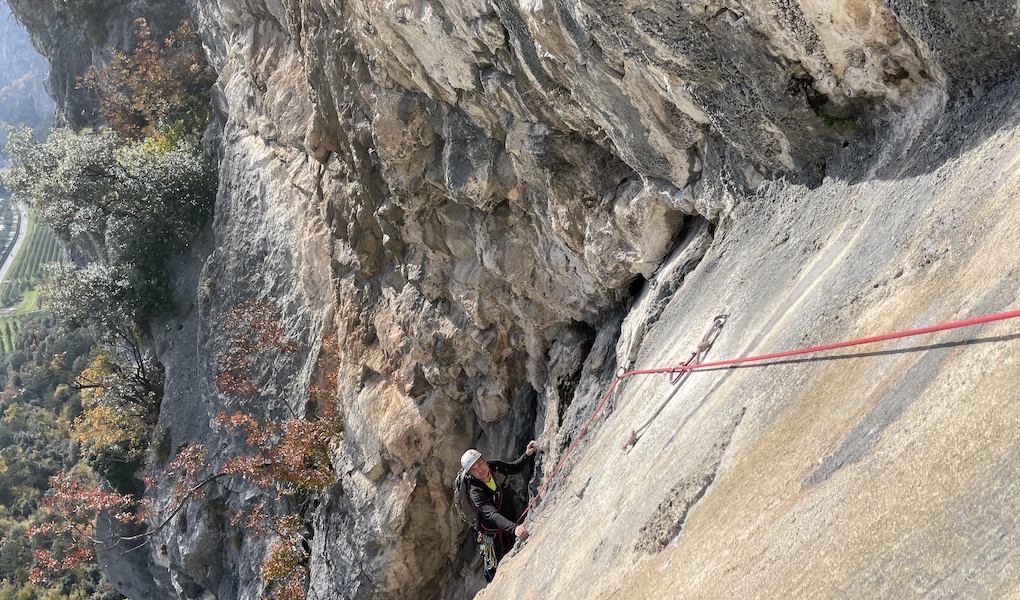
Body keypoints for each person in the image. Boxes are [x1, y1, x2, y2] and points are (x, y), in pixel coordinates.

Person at [460, 440, 537, 580]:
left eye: (480, 464)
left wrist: (526, 455)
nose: (480, 470)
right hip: (493, 533)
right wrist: (514, 529)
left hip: (510, 522)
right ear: (470, 474)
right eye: (474, 470)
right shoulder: (475, 492)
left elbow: (513, 467)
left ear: (484, 460)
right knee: (493, 565)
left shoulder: (495, 467)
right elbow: (492, 514)